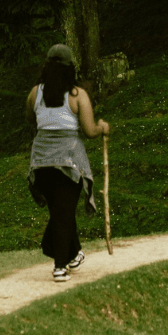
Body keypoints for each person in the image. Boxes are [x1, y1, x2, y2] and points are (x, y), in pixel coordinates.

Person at [26, 44, 108, 283]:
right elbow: (90, 130)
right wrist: (103, 127)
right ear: (70, 69)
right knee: (63, 213)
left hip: (41, 163)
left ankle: (73, 255)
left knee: (60, 211)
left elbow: (30, 119)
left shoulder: (35, 93)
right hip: (68, 163)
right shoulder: (77, 95)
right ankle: (59, 266)